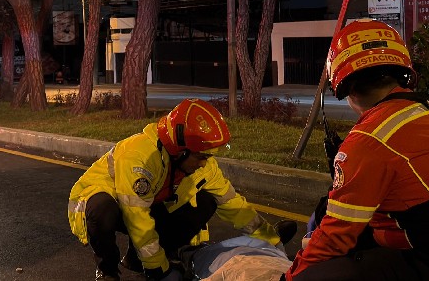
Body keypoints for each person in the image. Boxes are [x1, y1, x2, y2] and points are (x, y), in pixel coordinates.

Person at [284, 18, 429, 281]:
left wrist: (292, 277)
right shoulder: (421, 114)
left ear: (345, 88)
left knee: (318, 275)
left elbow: (334, 237)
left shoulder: (368, 138)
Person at [67, 98, 283, 281]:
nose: (204, 163)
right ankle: (107, 271)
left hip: (143, 204)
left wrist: (272, 241)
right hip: (103, 203)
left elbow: (233, 204)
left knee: (207, 200)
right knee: (101, 211)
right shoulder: (140, 156)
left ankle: (135, 260)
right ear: (180, 152)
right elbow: (136, 218)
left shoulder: (199, 161)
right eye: (201, 157)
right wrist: (158, 269)